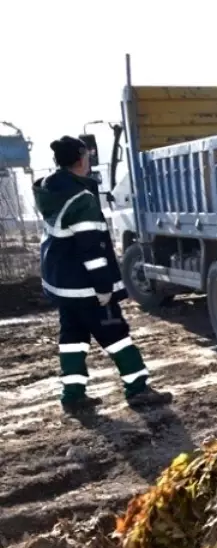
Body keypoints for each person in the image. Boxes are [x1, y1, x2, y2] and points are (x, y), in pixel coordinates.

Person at [34, 135, 172, 415]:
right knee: (116, 334)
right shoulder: (81, 199)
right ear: (81, 159)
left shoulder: (51, 190)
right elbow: (91, 248)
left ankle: (72, 395)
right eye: (87, 155)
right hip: (85, 286)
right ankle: (138, 389)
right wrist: (103, 287)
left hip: (62, 284)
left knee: (72, 337)